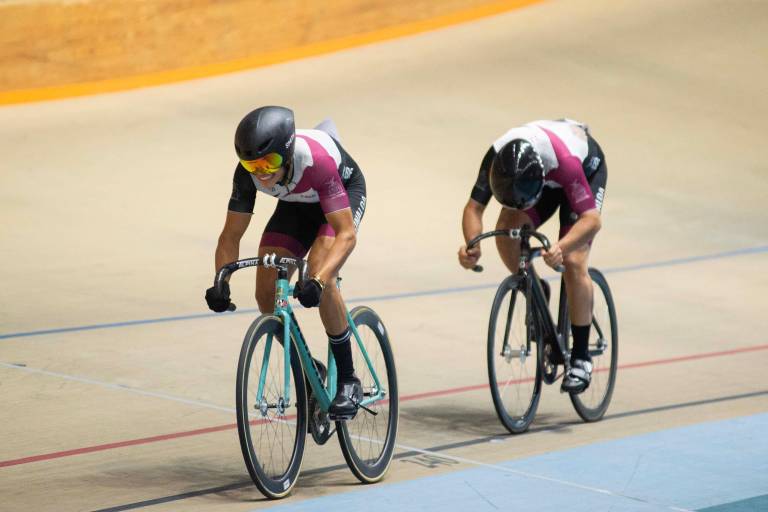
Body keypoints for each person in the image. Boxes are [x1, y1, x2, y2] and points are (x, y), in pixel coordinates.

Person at [205, 106, 367, 419]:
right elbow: (230, 236)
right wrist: (220, 279)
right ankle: (310, 368)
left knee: (321, 274)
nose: (262, 172)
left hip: (339, 197)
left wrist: (317, 281)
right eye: (252, 164)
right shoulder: (248, 174)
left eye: (270, 162)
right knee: (266, 295)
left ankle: (348, 378)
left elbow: (346, 235)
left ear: (288, 152)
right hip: (296, 206)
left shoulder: (317, 162)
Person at [458, 118, 607, 393]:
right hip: (540, 181)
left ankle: (581, 358)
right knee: (506, 230)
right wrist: (471, 244)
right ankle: (536, 288)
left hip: (583, 173)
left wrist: (561, 248)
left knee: (574, 262)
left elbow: (592, 221)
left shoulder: (566, 162)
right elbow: (474, 208)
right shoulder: (497, 158)